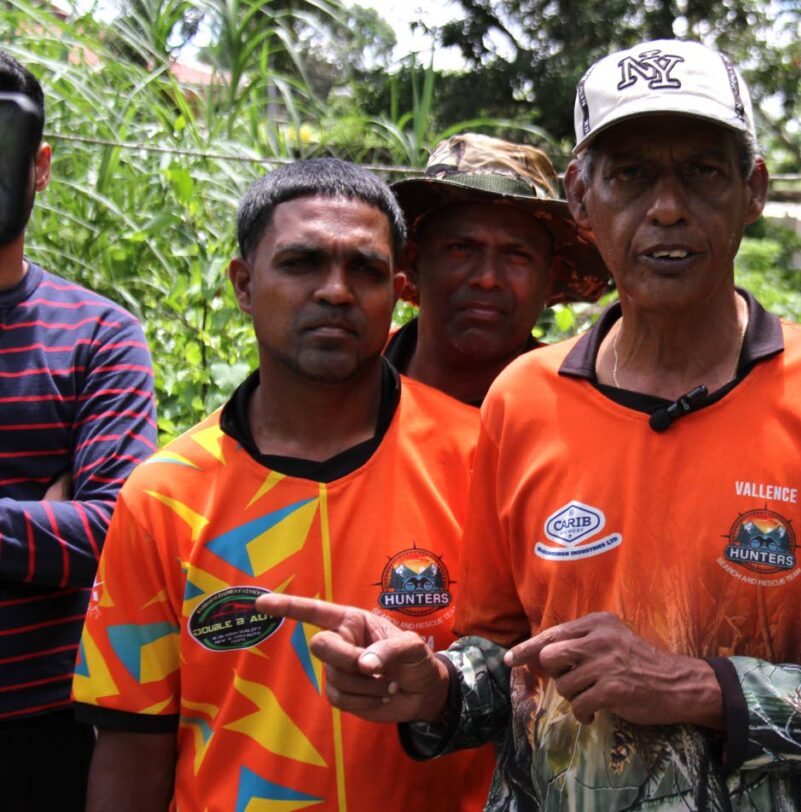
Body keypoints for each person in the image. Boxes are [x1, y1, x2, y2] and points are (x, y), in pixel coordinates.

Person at [257, 39, 801, 811]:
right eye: (630, 174)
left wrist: (696, 688)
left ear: (752, 189)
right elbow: (506, 661)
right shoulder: (523, 400)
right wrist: (438, 688)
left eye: (702, 170)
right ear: (582, 200)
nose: (666, 207)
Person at [72, 158, 493, 811]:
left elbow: (534, 686)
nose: (335, 291)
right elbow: (132, 744)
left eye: (365, 270)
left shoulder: (481, 460)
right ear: (243, 284)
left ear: (398, 290)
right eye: (301, 263)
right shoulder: (163, 496)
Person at [0, 51, 157, 811]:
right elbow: (71, 530)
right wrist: (37, 517)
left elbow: (111, 533)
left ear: (41, 166)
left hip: (40, 734)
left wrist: (77, 528)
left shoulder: (99, 334)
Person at [385, 133, 608, 404]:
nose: (487, 279)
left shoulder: (576, 410)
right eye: (461, 248)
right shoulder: (352, 377)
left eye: (517, 255)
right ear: (414, 261)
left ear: (550, 277)